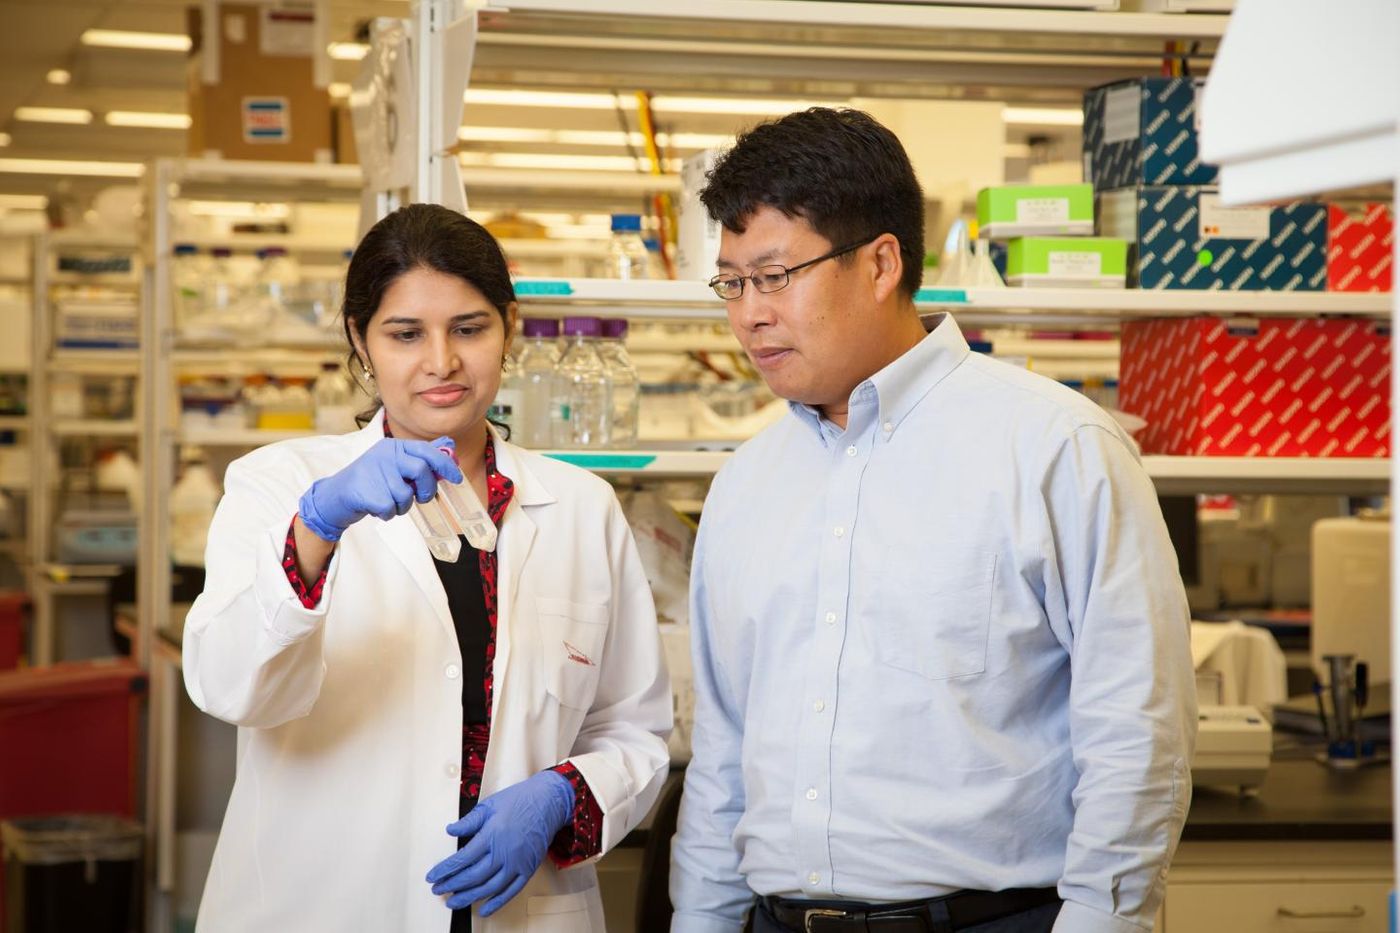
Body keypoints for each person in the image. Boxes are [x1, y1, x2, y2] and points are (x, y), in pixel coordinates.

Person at [670, 108, 1196, 933]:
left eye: (775, 276)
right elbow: (725, 754)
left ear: (881, 263)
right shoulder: (744, 485)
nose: (748, 315)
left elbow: (1137, 728)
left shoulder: (1056, 448)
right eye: (732, 283)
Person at [184, 203, 671, 932]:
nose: (441, 361)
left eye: (469, 328)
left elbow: (634, 727)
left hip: (519, 909)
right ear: (360, 338)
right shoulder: (280, 484)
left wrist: (566, 795)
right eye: (405, 333)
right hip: (323, 901)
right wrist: (316, 529)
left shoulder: (580, 506)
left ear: (508, 326)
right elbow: (229, 685)